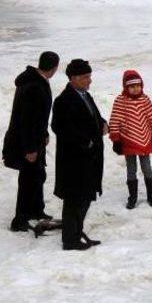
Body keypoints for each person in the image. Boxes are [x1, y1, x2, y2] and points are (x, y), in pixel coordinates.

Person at [52, 59, 107, 251]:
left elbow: (92, 115)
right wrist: (86, 141)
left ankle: (77, 232)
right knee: (74, 200)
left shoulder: (85, 95)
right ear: (73, 78)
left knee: (85, 198)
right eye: (85, 77)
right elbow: (59, 127)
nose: (89, 80)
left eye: (89, 76)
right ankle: (70, 239)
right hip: (74, 161)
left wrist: (102, 123)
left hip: (89, 160)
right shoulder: (63, 101)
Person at [3, 51, 59, 232]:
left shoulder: (34, 81)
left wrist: (44, 133)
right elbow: (27, 120)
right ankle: (20, 219)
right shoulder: (34, 86)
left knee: (38, 176)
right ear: (54, 67)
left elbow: (38, 116)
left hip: (34, 139)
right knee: (28, 179)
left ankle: (36, 210)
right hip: (26, 142)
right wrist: (30, 148)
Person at [109, 69, 152, 209]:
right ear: (126, 87)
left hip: (144, 139)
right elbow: (115, 120)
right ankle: (132, 197)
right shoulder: (120, 101)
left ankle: (151, 195)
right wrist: (116, 139)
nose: (135, 89)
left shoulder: (144, 99)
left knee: (147, 167)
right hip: (127, 141)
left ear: (142, 85)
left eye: (138, 86)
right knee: (131, 169)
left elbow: (151, 116)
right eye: (132, 86)